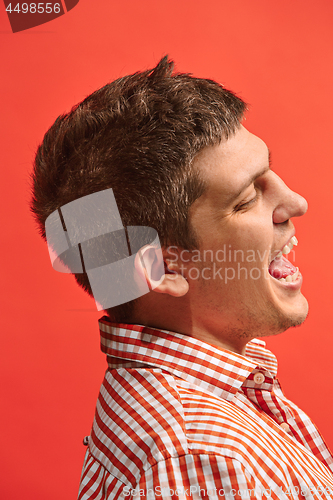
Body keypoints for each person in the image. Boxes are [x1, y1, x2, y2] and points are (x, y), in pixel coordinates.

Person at [30, 57, 333, 499]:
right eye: (247, 198)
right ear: (164, 269)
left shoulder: (215, 410)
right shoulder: (201, 460)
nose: (296, 201)